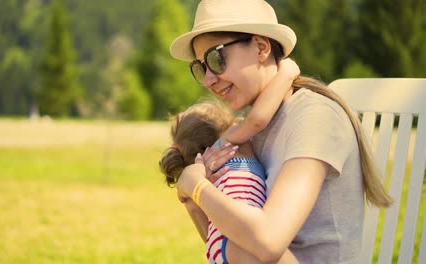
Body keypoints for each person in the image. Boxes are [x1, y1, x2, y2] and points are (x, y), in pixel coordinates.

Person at [168, 0, 393, 263]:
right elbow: (228, 248)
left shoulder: (313, 117)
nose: (208, 79)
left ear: (261, 47)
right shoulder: (251, 129)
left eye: (215, 59)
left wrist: (197, 188)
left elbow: (268, 242)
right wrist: (194, 204)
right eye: (200, 68)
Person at [160, 60, 300, 264]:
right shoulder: (227, 140)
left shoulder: (212, 170)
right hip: (239, 238)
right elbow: (258, 119)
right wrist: (287, 73)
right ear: (223, 123)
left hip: (220, 242)